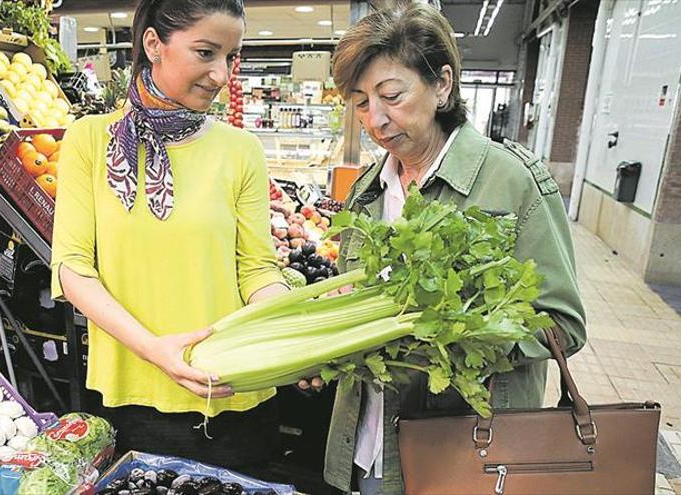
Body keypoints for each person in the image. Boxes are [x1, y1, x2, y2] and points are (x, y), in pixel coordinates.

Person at [318, 3, 587, 493]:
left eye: (391, 96)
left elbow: (564, 324)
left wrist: (459, 335)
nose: (375, 120)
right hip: (365, 452)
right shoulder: (366, 190)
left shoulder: (514, 182)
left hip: (465, 460)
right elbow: (350, 296)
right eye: (359, 102)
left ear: (442, 84)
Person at [50, 0, 289, 470]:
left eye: (230, 57)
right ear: (154, 44)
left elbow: (258, 268)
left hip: (235, 393)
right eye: (206, 53)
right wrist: (157, 352)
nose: (221, 74)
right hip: (136, 399)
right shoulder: (89, 141)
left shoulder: (241, 150)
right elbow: (73, 269)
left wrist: (291, 324)